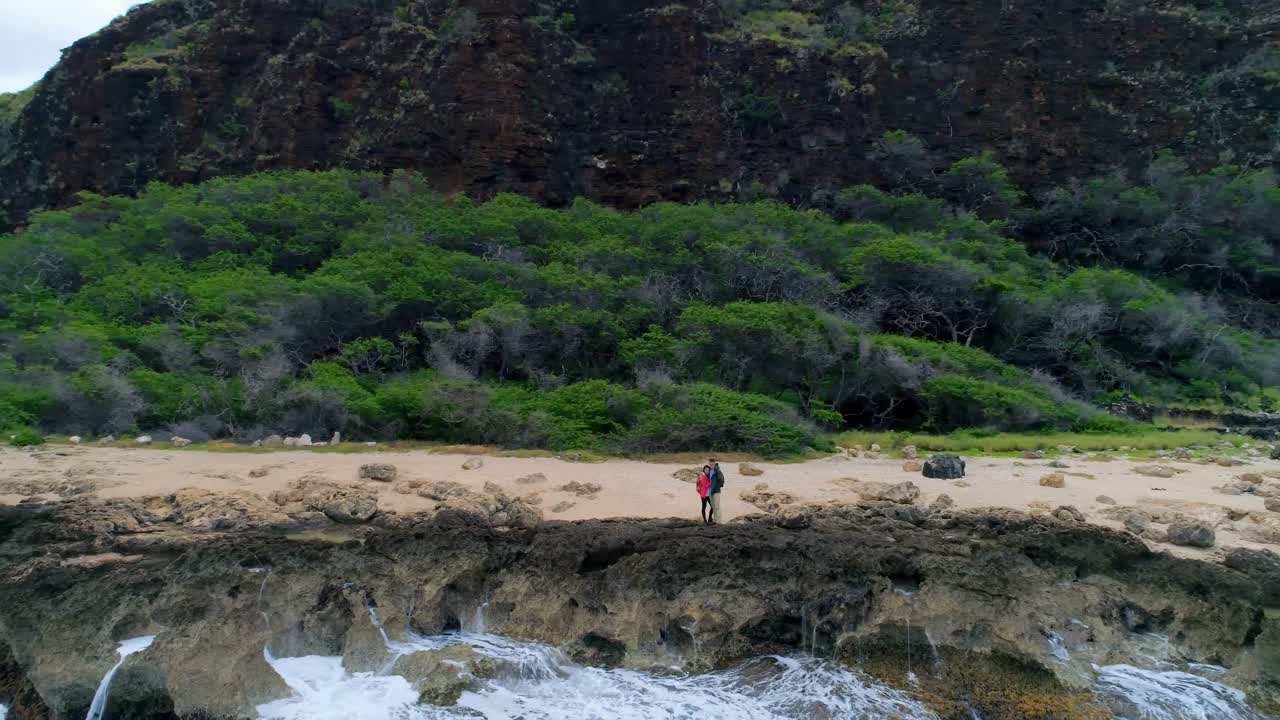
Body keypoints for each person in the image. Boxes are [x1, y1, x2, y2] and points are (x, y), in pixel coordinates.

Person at [708, 458, 725, 524]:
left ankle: (719, 521)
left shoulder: (717, 470)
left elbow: (722, 479)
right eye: (710, 464)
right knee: (713, 506)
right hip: (710, 491)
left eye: (712, 464)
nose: (711, 465)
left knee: (717, 506)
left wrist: (719, 486)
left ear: (714, 464)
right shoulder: (709, 471)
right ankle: (715, 520)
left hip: (716, 491)